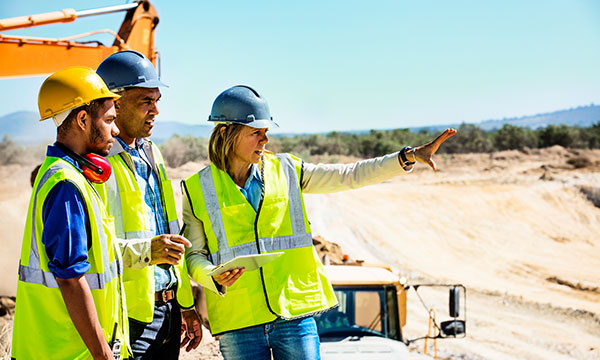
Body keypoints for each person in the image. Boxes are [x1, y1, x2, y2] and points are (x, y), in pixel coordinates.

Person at [181, 85, 457, 360]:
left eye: (266, 132)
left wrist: (405, 157)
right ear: (226, 133)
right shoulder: (196, 188)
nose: (265, 140)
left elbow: (349, 175)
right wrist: (211, 274)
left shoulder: (288, 170)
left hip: (294, 315)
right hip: (238, 321)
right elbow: (193, 255)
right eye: (256, 133)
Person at [12, 67, 129, 359]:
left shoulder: (70, 176)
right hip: (67, 352)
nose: (115, 129)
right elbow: (69, 278)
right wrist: (104, 354)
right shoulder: (66, 183)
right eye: (110, 119)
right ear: (82, 119)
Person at [94, 50, 201, 359]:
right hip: (127, 320)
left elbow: (169, 240)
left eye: (156, 101)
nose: (155, 111)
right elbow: (91, 249)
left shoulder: (152, 154)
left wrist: (185, 305)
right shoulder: (95, 164)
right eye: (145, 102)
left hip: (168, 315)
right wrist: (146, 251)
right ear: (114, 101)